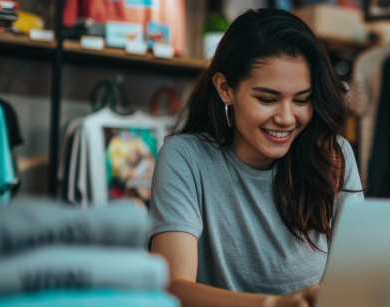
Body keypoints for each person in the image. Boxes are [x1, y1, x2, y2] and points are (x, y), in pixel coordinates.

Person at [149, 8, 363, 307]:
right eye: (267, 99)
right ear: (226, 89)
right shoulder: (186, 158)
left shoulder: (333, 155)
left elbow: (356, 278)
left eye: (302, 100)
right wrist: (272, 304)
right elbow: (173, 287)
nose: (287, 118)